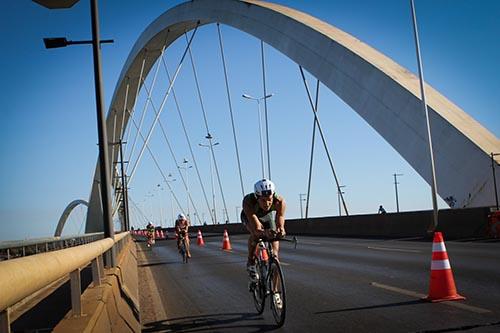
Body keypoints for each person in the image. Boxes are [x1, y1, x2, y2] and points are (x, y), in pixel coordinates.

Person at [241, 178, 286, 282]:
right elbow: (257, 228)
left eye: (269, 199)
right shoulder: (248, 201)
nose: (267, 203)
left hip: (267, 216)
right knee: (256, 235)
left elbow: (280, 218)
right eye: (263, 200)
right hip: (250, 216)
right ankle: (251, 261)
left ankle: (275, 293)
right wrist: (264, 232)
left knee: (275, 255)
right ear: (257, 197)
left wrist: (281, 230)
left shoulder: (280, 201)